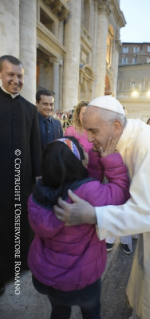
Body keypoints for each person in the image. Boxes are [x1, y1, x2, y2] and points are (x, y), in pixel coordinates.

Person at [53, 95, 150, 319]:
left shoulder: (148, 148)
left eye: (93, 131)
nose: (89, 138)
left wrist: (94, 215)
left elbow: (144, 214)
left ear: (116, 126)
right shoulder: (128, 134)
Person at [27, 136, 129, 319]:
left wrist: (96, 158)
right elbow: (120, 193)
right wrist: (111, 159)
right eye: (83, 147)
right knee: (91, 312)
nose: (87, 145)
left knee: (59, 312)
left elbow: (86, 183)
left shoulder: (39, 190)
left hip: (45, 276)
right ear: (79, 162)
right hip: (79, 282)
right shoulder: (87, 192)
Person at [0, 55, 42, 295]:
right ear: (1, 75)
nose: (16, 80)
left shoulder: (29, 108)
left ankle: (20, 267)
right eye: (11, 75)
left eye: (20, 76)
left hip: (22, 182)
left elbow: (35, 147)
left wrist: (37, 181)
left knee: (20, 226)